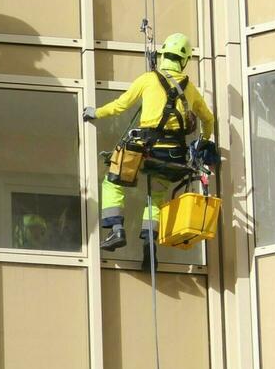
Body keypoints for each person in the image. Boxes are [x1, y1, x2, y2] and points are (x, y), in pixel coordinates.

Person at [83, 32, 215, 257]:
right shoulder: (190, 88)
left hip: (144, 148)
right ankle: (149, 246)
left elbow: (121, 105)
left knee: (113, 182)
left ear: (163, 55)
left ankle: (116, 229)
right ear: (184, 61)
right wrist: (203, 142)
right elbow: (208, 119)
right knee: (156, 198)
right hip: (174, 155)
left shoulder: (148, 79)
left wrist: (95, 113)